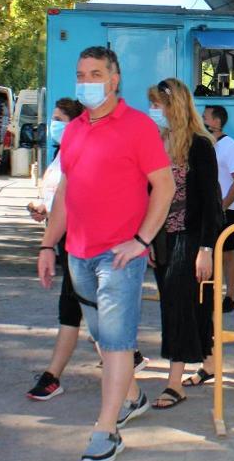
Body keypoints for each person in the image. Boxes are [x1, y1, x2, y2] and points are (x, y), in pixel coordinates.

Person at [36, 47, 174, 461]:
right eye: (81, 73)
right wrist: (47, 243)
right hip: (77, 253)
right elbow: (65, 191)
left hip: (119, 255)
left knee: (115, 341)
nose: (87, 80)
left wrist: (141, 240)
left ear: (114, 79)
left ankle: (105, 429)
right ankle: (131, 396)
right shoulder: (74, 129)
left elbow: (164, 188)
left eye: (96, 73)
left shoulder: (138, 127)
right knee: (99, 334)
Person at [25, 99, 149, 402]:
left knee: (78, 315)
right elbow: (62, 197)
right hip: (72, 245)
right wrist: (46, 231)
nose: (54, 125)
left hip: (91, 247)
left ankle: (58, 377)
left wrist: (143, 240)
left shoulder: (104, 144)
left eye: (59, 119)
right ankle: (129, 388)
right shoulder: (62, 153)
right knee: (86, 319)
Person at [148, 79, 225, 404]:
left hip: (191, 238)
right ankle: (208, 364)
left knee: (179, 308)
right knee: (186, 306)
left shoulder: (200, 145)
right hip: (162, 237)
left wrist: (206, 249)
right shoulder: (155, 143)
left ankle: (174, 383)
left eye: (157, 104)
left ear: (173, 106)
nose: (153, 111)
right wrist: (148, 238)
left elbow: (211, 202)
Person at [203, 104, 234, 313]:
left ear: (217, 122)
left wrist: (223, 206)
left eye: (206, 117)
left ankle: (230, 296)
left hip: (227, 209)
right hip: (208, 208)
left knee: (227, 253)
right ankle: (210, 294)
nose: (202, 120)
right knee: (208, 252)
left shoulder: (230, 146)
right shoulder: (204, 143)